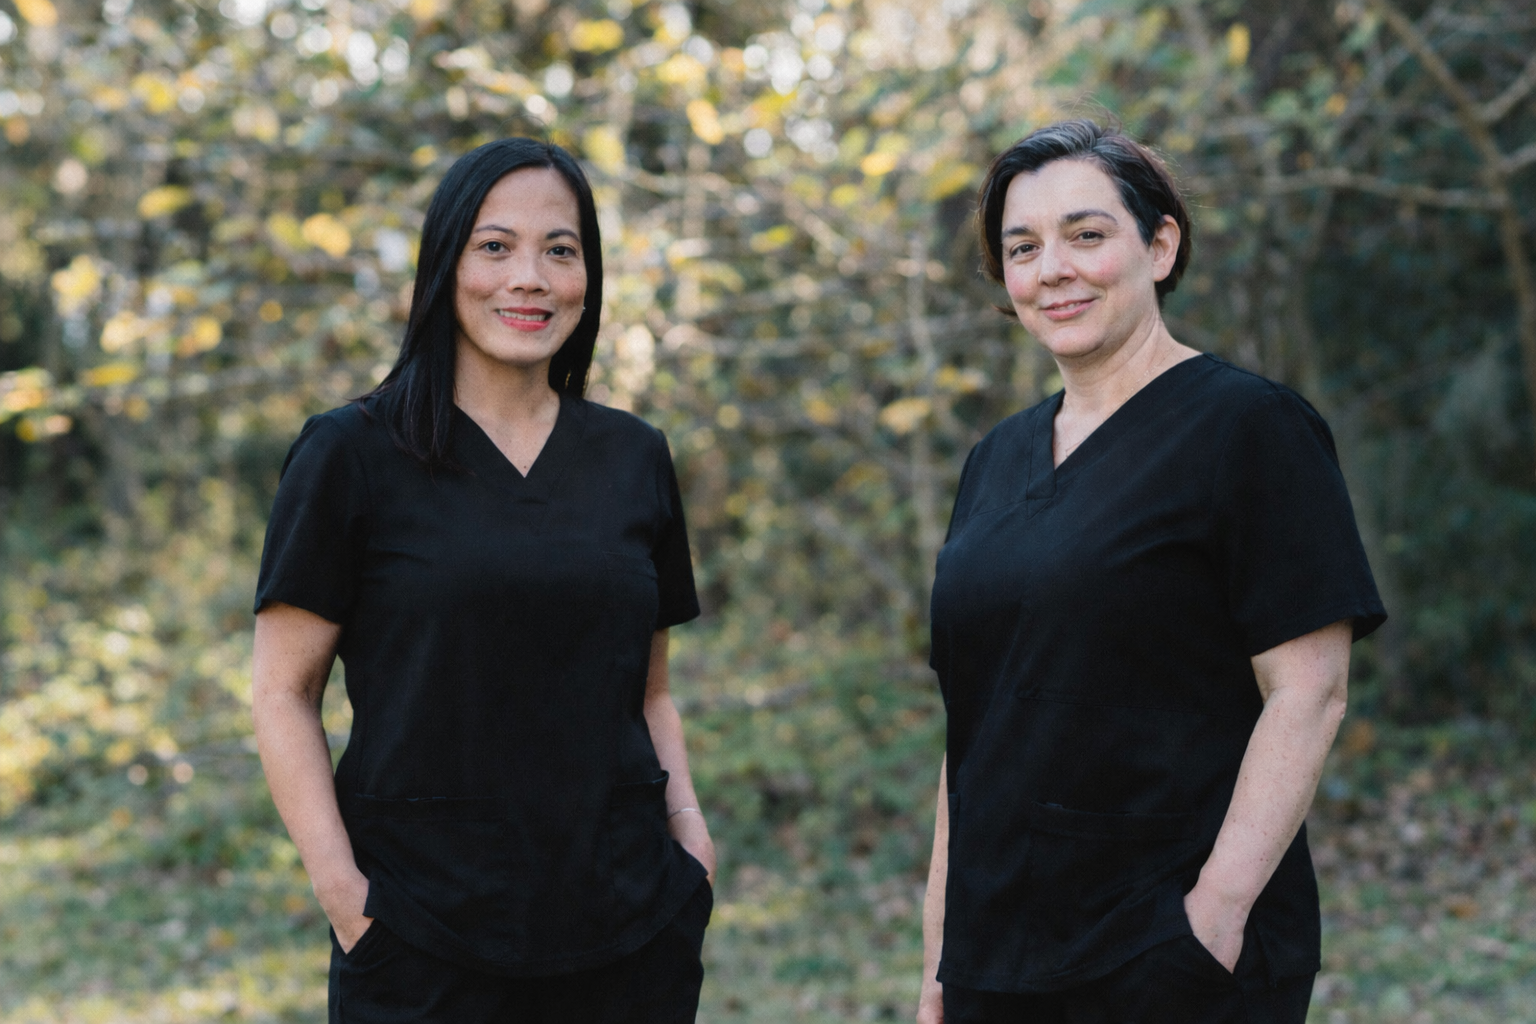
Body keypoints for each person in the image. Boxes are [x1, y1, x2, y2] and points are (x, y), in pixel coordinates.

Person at [915, 120, 1386, 1024]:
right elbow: (971, 727)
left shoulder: (1250, 430)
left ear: (1160, 245)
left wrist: (1213, 918)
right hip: (998, 954)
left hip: (1163, 951)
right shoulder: (994, 461)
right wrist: (941, 949)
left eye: (1086, 235)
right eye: (1023, 247)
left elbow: (1311, 689)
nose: (1053, 269)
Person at [251, 138, 715, 1023]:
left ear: (590, 273)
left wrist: (688, 837)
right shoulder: (349, 453)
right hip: (423, 943)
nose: (529, 277)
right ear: (446, 263)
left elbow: (649, 692)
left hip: (628, 937)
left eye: (560, 249)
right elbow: (282, 691)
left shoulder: (634, 457)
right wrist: (347, 899)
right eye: (495, 246)